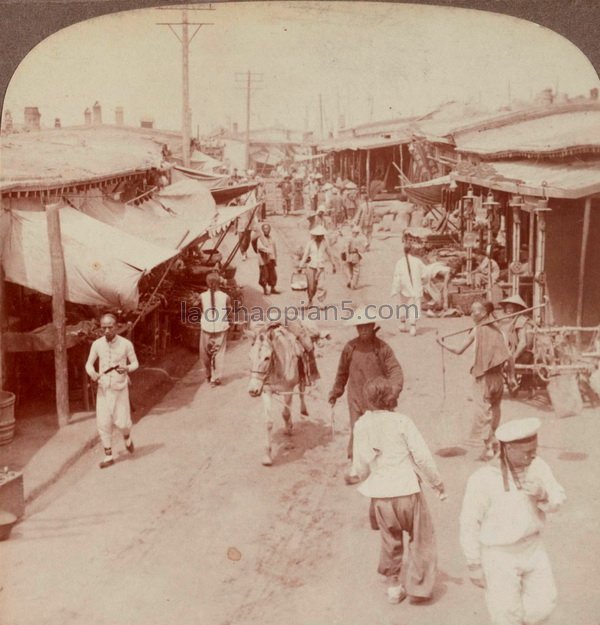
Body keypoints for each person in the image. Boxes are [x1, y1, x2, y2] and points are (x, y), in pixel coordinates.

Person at [460, 417, 565, 625]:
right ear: (507, 449)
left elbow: (558, 498)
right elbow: (469, 523)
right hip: (499, 555)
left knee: (544, 605)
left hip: (533, 547)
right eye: (527, 452)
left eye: (534, 449)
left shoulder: (539, 466)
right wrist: (474, 563)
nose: (533, 455)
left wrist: (543, 494)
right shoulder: (482, 479)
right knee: (506, 613)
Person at [351, 377, 446, 604]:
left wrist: (359, 476)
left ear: (368, 399)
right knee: (420, 537)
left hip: (382, 497)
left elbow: (361, 465)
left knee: (390, 540)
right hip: (407, 491)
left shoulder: (361, 425)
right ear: (391, 398)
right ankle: (419, 587)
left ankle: (394, 587)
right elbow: (422, 457)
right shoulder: (402, 421)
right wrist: (437, 483)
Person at [329, 306, 404, 470]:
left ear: (372, 326)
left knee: (380, 434)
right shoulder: (350, 348)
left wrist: (393, 392)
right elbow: (342, 372)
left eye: (366, 326)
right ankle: (356, 466)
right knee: (358, 431)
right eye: (360, 327)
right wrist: (336, 392)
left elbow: (395, 371)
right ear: (356, 328)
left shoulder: (382, 348)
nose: (363, 330)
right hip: (356, 398)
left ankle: (383, 465)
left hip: (378, 399)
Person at [437, 300, 511, 461]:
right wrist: (511, 377)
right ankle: (493, 440)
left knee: (482, 413)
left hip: (483, 378)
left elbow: (458, 350)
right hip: (498, 377)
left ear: (484, 313)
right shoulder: (500, 331)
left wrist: (442, 344)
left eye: (474, 312)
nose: (471, 315)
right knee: (495, 408)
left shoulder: (477, 331)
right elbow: (508, 355)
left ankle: (490, 445)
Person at [85, 313, 139, 469]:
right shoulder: (97, 345)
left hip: (120, 388)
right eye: (104, 328)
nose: (107, 330)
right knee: (103, 422)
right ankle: (108, 455)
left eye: (110, 327)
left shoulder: (126, 344)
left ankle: (127, 438)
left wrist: (127, 368)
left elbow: (135, 363)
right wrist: (93, 373)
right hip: (103, 389)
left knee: (122, 423)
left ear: (116, 326)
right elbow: (88, 364)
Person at [199, 273, 231, 386]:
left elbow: (198, 308)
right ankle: (216, 377)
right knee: (219, 353)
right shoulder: (225, 297)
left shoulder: (202, 296)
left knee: (205, 353)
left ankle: (208, 375)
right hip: (221, 327)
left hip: (206, 328)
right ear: (219, 283)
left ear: (207, 283)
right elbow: (229, 310)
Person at [498, 294, 535, 394]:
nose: (508, 310)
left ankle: (511, 381)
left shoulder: (521, 321)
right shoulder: (509, 321)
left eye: (511, 307)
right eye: (507, 307)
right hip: (513, 352)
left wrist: (513, 357)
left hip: (524, 354)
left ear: (517, 308)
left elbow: (523, 343)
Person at [390, 242, 426, 336]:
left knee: (403, 305)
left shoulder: (399, 262)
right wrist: (422, 281)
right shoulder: (417, 261)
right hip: (415, 288)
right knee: (413, 306)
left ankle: (402, 324)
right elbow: (424, 273)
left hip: (404, 288)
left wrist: (395, 289)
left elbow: (396, 277)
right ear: (411, 250)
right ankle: (413, 328)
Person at [298, 225, 337, 307]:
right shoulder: (310, 243)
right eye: (319, 236)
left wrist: (333, 264)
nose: (320, 237)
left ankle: (321, 302)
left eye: (322, 235)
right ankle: (310, 300)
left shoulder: (325, 243)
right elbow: (305, 255)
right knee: (311, 286)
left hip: (321, 267)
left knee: (322, 285)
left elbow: (330, 254)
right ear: (316, 236)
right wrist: (300, 266)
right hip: (311, 266)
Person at [256, 222, 280, 295]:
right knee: (264, 274)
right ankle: (265, 289)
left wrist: (275, 258)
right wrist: (268, 250)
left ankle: (272, 288)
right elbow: (260, 247)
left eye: (268, 228)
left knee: (273, 274)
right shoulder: (260, 239)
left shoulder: (271, 238)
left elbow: (274, 249)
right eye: (265, 228)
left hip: (271, 259)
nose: (267, 230)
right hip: (263, 260)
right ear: (263, 230)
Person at [342, 224, 367, 290]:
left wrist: (347, 257)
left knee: (348, 269)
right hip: (355, 256)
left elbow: (346, 248)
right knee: (356, 271)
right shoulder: (358, 240)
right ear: (357, 233)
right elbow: (362, 250)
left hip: (349, 255)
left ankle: (349, 280)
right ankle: (354, 285)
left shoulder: (348, 239)